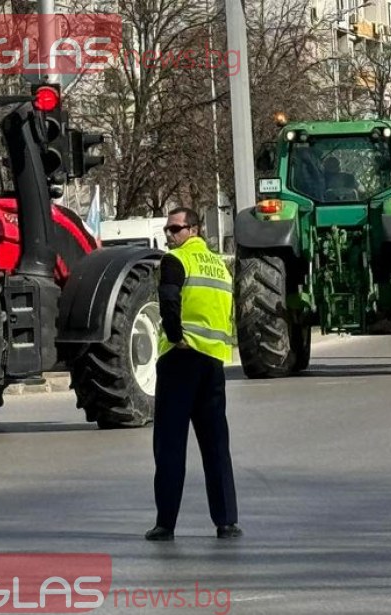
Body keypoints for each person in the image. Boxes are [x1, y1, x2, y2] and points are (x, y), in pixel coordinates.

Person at [146, 207, 241, 541]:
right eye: (168, 230)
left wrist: (174, 337)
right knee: (216, 444)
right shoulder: (219, 266)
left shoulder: (176, 261)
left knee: (170, 445)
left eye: (175, 229)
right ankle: (226, 520)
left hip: (180, 359)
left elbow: (169, 300)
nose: (170, 236)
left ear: (194, 229)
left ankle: (166, 524)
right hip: (213, 363)